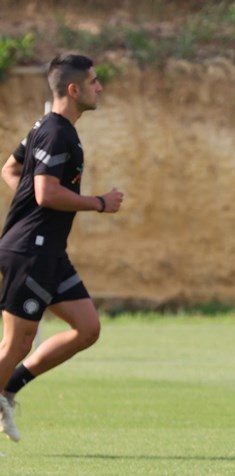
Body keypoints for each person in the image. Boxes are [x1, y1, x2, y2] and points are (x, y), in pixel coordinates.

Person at [0, 54, 124, 442]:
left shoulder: (47, 127)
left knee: (87, 328)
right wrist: (99, 203)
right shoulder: (57, 133)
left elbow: (10, 170)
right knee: (16, 343)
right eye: (94, 81)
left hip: (48, 252)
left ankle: (9, 387)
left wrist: (30, 206)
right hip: (30, 252)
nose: (99, 87)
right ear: (73, 89)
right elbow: (45, 193)